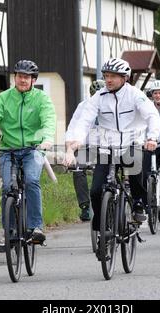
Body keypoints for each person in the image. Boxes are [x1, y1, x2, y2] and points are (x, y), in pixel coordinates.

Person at [63, 58, 160, 247]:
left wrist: (152, 138)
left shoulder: (135, 95)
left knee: (134, 169)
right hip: (106, 147)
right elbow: (85, 120)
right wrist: (77, 141)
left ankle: (138, 203)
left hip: (131, 142)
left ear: (125, 78)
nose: (108, 80)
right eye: (106, 76)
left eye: (113, 77)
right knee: (96, 190)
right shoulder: (98, 97)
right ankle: (100, 225)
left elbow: (151, 115)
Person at [0, 60, 56, 252]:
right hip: (8, 149)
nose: (22, 80)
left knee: (31, 180)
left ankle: (35, 227)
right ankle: (9, 232)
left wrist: (47, 139)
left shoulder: (41, 99)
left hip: (33, 149)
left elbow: (48, 121)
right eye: (19, 76)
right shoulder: (3, 98)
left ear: (33, 80)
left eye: (27, 77)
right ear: (15, 78)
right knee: (8, 188)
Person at [66, 79, 106, 222]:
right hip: (87, 147)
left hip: (107, 147)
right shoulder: (83, 106)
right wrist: (70, 150)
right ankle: (85, 206)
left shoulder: (112, 106)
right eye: (95, 95)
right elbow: (72, 128)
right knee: (78, 168)